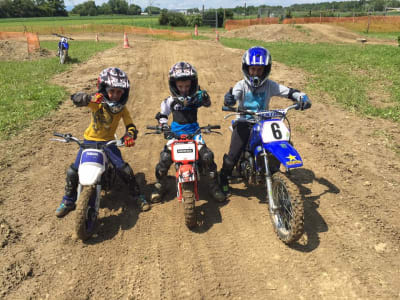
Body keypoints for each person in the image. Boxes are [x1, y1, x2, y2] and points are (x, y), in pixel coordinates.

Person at [55, 67, 150, 217]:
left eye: (119, 92)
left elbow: (130, 125)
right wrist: (87, 98)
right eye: (112, 91)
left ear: (124, 93)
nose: (115, 95)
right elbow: (76, 98)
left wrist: (129, 136)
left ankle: (137, 195)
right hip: (89, 141)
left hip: (108, 143)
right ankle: (68, 200)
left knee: (124, 169)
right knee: (73, 171)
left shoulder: (122, 109)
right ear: (104, 89)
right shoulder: (97, 103)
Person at [219, 46, 312, 195]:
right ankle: (223, 177)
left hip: (264, 122)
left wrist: (301, 97)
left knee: (282, 141)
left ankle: (273, 169)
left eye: (259, 70)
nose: (255, 73)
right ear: (246, 68)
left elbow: (289, 92)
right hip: (245, 121)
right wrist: (229, 100)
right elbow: (233, 96)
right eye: (253, 69)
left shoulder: (270, 85)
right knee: (234, 153)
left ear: (266, 70)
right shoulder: (241, 85)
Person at [151, 62, 226, 203]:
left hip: (194, 134)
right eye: (180, 86)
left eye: (187, 86)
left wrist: (205, 97)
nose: (184, 90)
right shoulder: (169, 101)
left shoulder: (195, 98)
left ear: (193, 84)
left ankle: (214, 187)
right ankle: (159, 186)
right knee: (165, 159)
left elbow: (207, 104)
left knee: (207, 157)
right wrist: (163, 126)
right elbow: (162, 115)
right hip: (175, 135)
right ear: (174, 85)